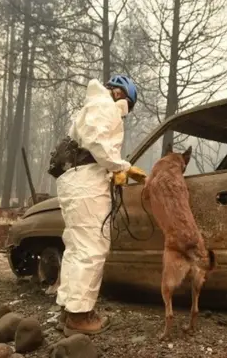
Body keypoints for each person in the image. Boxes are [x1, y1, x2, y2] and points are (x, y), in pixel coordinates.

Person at [55, 74, 146, 336]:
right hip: (85, 183)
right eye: (128, 105)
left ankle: (69, 309)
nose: (125, 113)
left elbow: (93, 142)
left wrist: (114, 170)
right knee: (92, 247)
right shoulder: (104, 105)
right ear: (121, 95)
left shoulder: (93, 104)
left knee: (76, 247)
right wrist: (122, 167)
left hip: (77, 180)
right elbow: (97, 141)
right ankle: (80, 316)